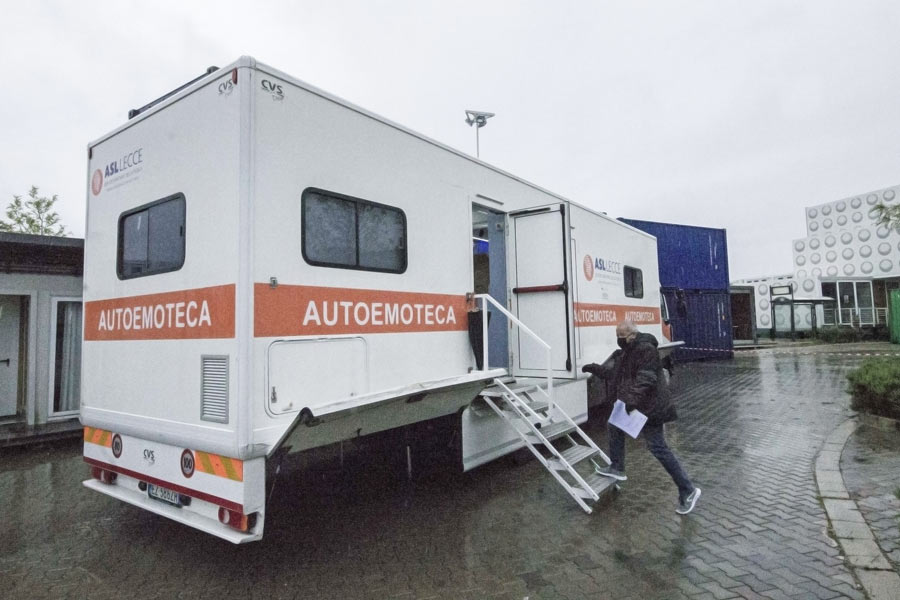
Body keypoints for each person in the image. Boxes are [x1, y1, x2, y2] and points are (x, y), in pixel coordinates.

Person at [581, 319, 701, 515]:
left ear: (632, 335)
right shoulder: (627, 352)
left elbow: (646, 379)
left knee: (658, 448)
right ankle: (617, 467)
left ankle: (688, 490)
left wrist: (630, 401)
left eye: (621, 336)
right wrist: (594, 368)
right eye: (617, 336)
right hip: (640, 405)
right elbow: (615, 375)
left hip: (651, 408)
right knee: (614, 426)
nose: (619, 339)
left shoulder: (646, 350)